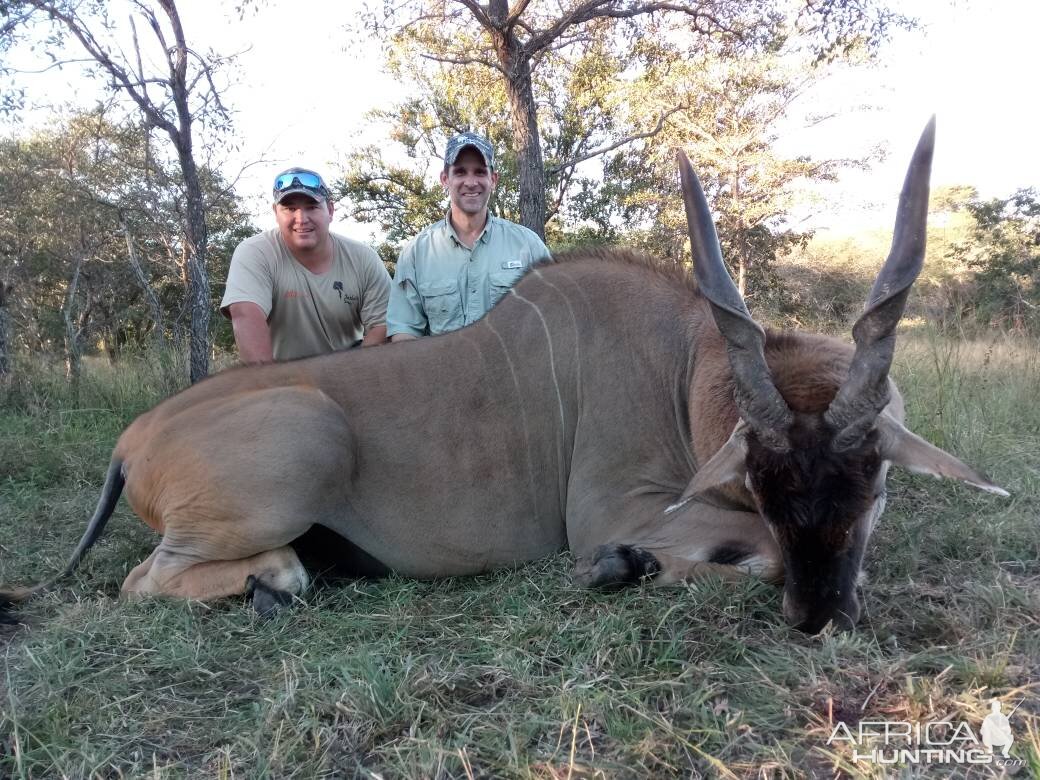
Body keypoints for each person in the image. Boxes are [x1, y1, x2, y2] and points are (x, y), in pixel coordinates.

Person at [387, 132, 550, 341]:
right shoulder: (417, 253)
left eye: (480, 172)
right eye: (461, 172)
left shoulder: (529, 246)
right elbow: (404, 333)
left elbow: (551, 320)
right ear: (445, 179)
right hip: (442, 373)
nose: (471, 182)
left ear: (493, 179)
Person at [220, 167, 391, 363]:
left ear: (330, 210)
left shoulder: (363, 257)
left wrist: (350, 371)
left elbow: (382, 325)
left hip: (348, 372)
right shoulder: (254, 252)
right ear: (276, 212)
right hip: (281, 378)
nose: (301, 219)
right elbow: (245, 314)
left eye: (312, 207)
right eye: (290, 208)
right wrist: (270, 385)